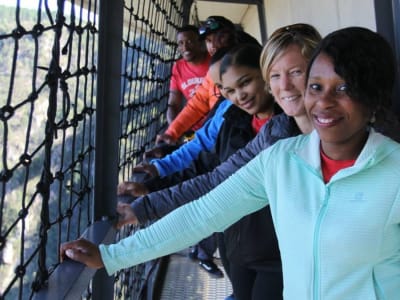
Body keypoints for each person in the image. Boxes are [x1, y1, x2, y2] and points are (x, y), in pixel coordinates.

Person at [61, 27, 400, 299]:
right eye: (316, 86)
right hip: (242, 253)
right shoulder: (280, 159)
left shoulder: (393, 172)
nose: (324, 101)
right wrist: (112, 256)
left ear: (372, 99)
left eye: (343, 88)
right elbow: (204, 212)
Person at [156, 16, 260, 145]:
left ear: (232, 36)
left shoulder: (247, 58)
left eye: (219, 37)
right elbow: (198, 103)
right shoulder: (213, 71)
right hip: (213, 136)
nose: (213, 45)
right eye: (208, 40)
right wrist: (171, 133)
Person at [167, 25, 210, 128]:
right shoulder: (177, 67)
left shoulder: (213, 60)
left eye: (189, 42)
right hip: (193, 129)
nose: (185, 48)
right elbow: (173, 104)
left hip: (218, 125)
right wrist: (173, 130)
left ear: (199, 42)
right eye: (181, 43)